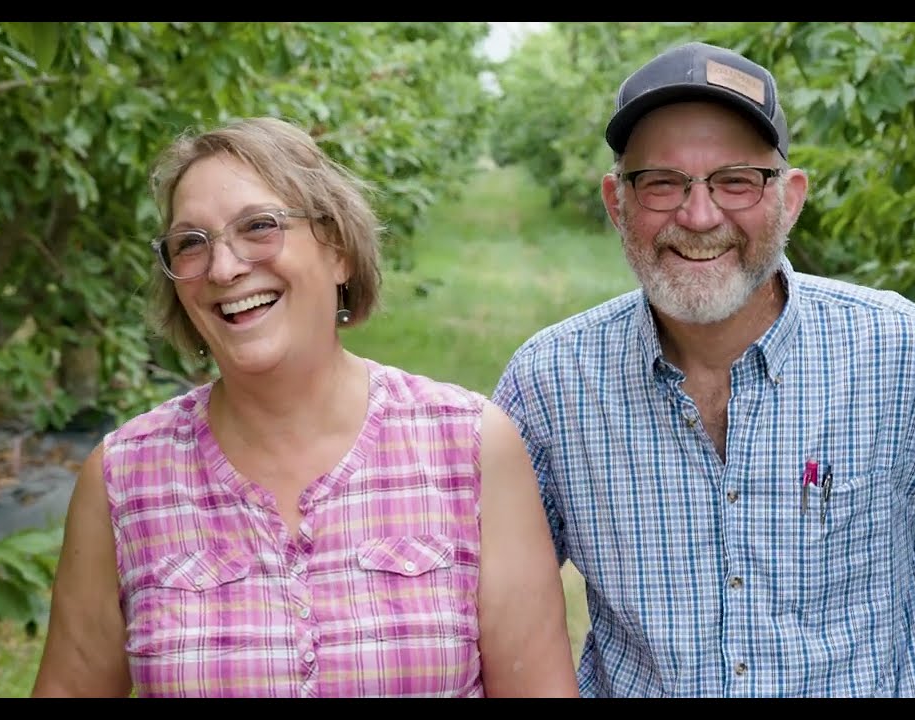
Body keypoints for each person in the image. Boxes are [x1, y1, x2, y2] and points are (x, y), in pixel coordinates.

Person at [491, 41, 915, 698]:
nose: (699, 216)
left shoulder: (911, 356)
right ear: (617, 201)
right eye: (662, 182)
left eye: (736, 180)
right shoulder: (550, 384)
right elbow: (494, 599)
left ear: (791, 197)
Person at [31, 116, 579, 698]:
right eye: (191, 243)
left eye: (259, 226)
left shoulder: (469, 446)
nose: (223, 267)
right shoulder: (123, 478)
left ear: (338, 249)